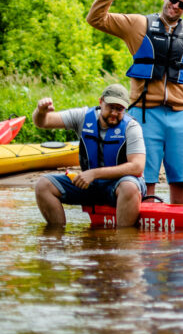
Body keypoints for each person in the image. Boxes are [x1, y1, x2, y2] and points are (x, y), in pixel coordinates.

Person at [87, 0, 183, 203]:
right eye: (173, 0)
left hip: (182, 116)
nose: (175, 6)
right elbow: (95, 18)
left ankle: (181, 235)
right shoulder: (138, 24)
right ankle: (142, 234)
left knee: (181, 180)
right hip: (144, 114)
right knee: (143, 179)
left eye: (182, 5)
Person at [31, 85, 145, 228]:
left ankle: (123, 242)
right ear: (100, 102)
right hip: (89, 185)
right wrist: (40, 112)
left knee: (129, 187)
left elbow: (137, 166)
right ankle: (57, 238)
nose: (114, 113)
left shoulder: (132, 127)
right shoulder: (83, 117)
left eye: (119, 109)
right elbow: (43, 122)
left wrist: (94, 174)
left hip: (118, 186)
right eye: (111, 107)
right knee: (43, 185)